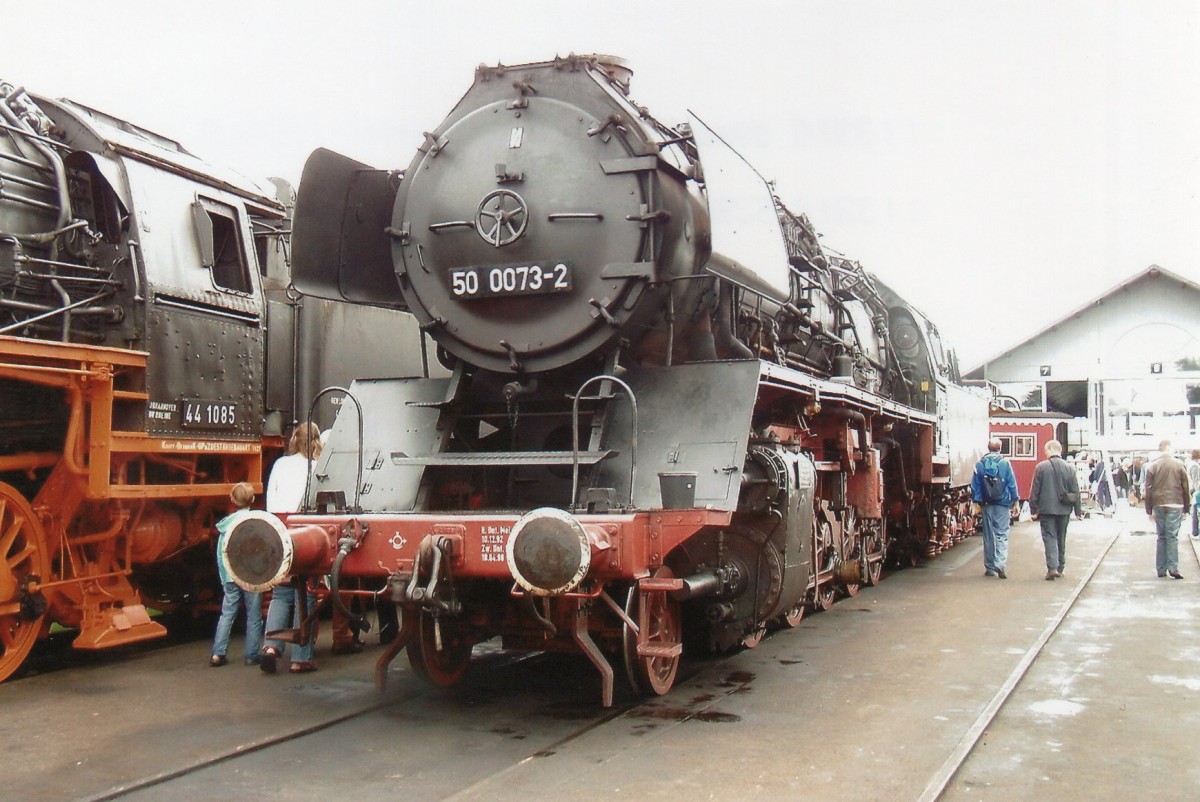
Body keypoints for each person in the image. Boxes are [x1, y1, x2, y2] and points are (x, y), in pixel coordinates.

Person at [261, 423, 322, 673]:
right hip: (306, 529)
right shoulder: (319, 467)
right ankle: (301, 657)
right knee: (306, 593)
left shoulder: (280, 464)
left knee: (281, 593)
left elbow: (270, 499)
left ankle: (271, 646)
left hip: (278, 527)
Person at [210, 482, 264, 667]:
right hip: (251, 575)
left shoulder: (225, 527)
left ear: (232, 500)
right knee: (254, 615)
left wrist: (224, 577)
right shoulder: (255, 522)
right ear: (253, 499)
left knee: (227, 614)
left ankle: (218, 653)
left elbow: (221, 554)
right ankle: (252, 654)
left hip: (230, 575)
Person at [1028, 440, 1082, 581]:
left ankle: (1052, 567)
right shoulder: (1070, 468)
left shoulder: (1041, 467)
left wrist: (1033, 508)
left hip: (1046, 509)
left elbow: (1035, 490)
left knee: (1049, 537)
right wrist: (1078, 511)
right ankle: (1060, 567)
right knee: (1061, 537)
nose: (1045, 453)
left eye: (1046, 450)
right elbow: (1076, 491)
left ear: (1051, 449)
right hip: (1064, 509)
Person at [971, 438, 1019, 579]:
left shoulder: (980, 464)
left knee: (988, 536)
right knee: (1002, 534)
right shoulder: (1005, 463)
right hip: (1003, 504)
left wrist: (976, 503)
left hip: (987, 504)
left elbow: (976, 486)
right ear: (1000, 448)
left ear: (988, 448)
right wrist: (1015, 501)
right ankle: (1000, 563)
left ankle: (990, 567)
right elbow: (1011, 483)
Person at [1143, 439, 1191, 579]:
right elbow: (1185, 488)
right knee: (1172, 536)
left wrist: (1149, 510)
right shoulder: (1179, 465)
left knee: (1161, 536)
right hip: (1175, 504)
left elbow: (1148, 490)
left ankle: (1161, 569)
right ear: (1170, 448)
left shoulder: (1152, 466)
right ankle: (1173, 567)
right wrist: (1186, 509)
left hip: (1158, 504)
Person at [1185, 449, 1200, 539]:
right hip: (1195, 491)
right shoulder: (1195, 466)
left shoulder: (1190, 464)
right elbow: (1196, 481)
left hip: (1192, 489)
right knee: (1196, 511)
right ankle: (1195, 532)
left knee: (1195, 511)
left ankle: (1195, 532)